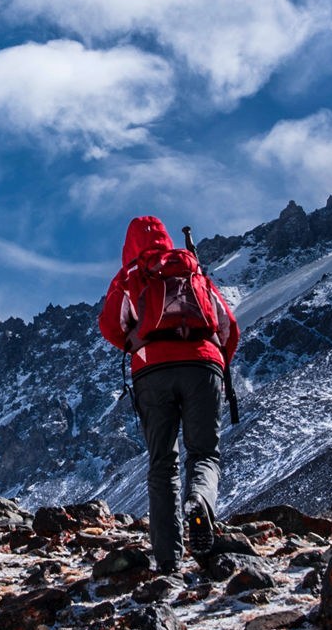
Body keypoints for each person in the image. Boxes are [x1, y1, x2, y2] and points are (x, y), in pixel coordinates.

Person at [97, 215, 240, 575]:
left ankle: (167, 560)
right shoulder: (191, 269)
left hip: (152, 371)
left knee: (162, 463)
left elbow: (110, 325)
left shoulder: (130, 276)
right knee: (204, 453)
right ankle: (200, 501)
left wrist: (137, 345)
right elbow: (228, 326)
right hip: (203, 366)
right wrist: (214, 361)